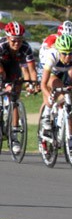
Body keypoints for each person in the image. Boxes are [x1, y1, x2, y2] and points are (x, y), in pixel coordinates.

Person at [39, 34, 72, 131]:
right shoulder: (52, 55)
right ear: (59, 51)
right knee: (56, 88)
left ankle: (66, 133)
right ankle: (46, 114)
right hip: (48, 71)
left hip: (63, 71)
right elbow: (43, 84)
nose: (68, 56)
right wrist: (49, 96)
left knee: (68, 98)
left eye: (70, 53)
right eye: (64, 53)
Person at [0, 22, 37, 154]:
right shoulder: (1, 45)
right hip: (1, 67)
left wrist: (33, 84)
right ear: (7, 38)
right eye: (14, 40)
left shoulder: (26, 48)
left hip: (14, 68)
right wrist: (4, 84)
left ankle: (14, 136)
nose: (17, 44)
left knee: (14, 99)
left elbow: (31, 70)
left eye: (20, 40)